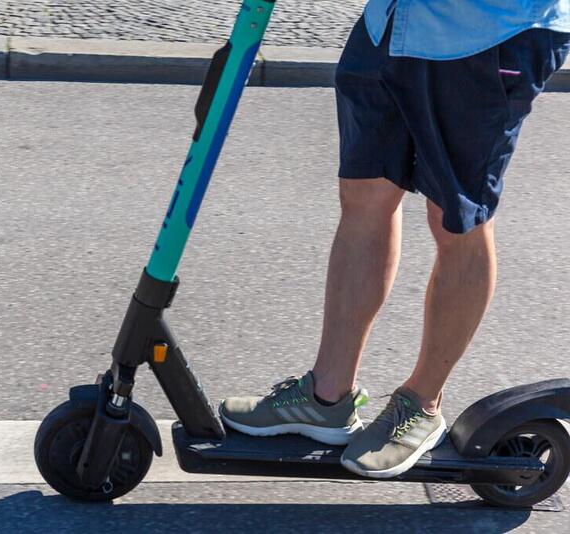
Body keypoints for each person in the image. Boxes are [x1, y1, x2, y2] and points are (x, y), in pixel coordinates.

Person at [220, 0, 570, 478]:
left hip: (487, 34)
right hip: (390, 24)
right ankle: (327, 395)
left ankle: (422, 403)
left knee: (457, 220)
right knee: (364, 196)